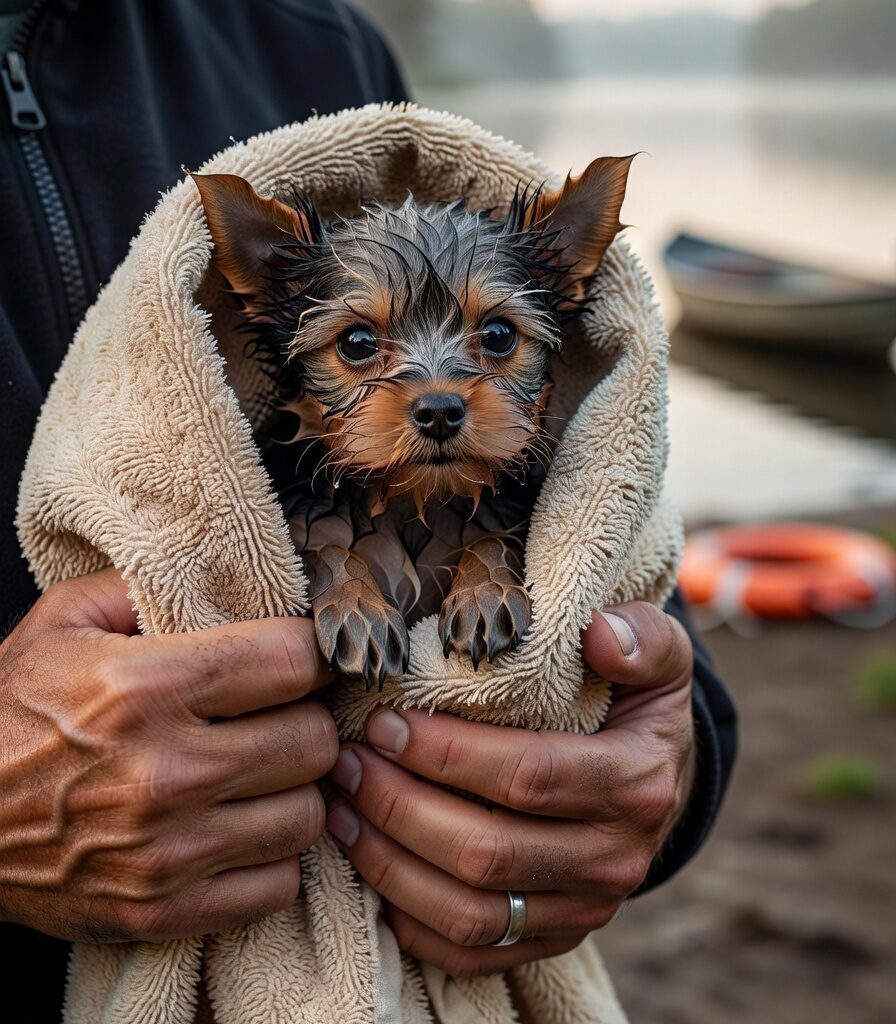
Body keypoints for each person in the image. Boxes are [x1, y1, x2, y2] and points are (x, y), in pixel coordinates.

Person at [0, 1, 736, 1019]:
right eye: (360, 345)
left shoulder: (319, 42)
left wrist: (662, 760)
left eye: (493, 342)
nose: (435, 391)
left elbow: (628, 590)